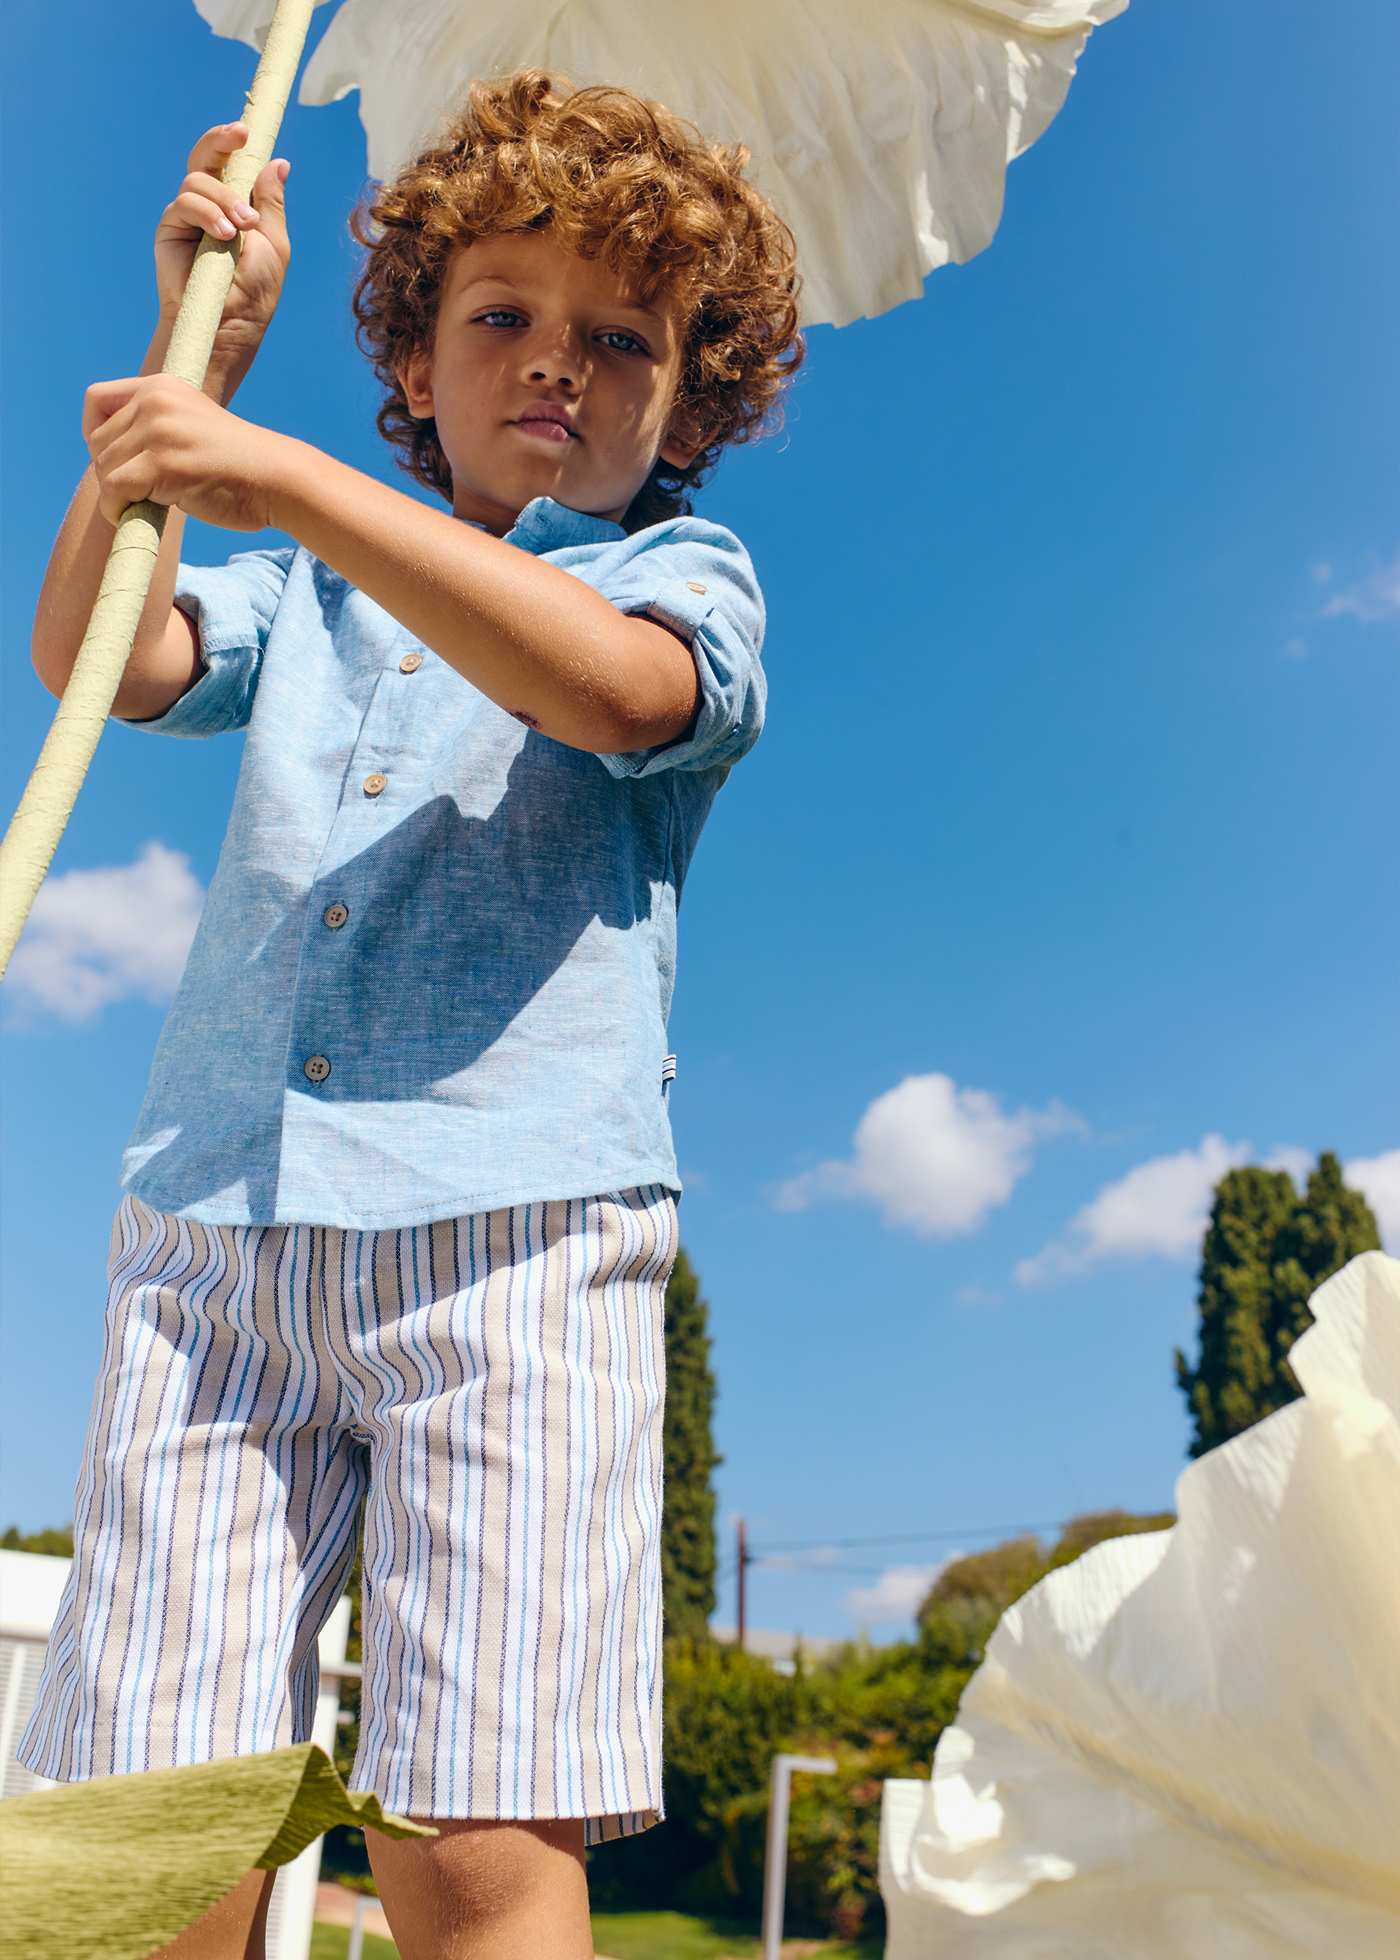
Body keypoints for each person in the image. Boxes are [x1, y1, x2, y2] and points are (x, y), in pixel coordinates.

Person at [18, 69, 802, 1960]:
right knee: (158, 1819)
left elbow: (616, 699)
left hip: (514, 1253)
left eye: (623, 338)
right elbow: (98, 653)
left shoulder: (676, 575)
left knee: (471, 1840)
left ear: (686, 397)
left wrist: (283, 468)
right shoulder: (296, 595)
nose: (558, 365)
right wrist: (189, 363)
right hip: (215, 1242)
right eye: (503, 316)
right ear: (418, 361)